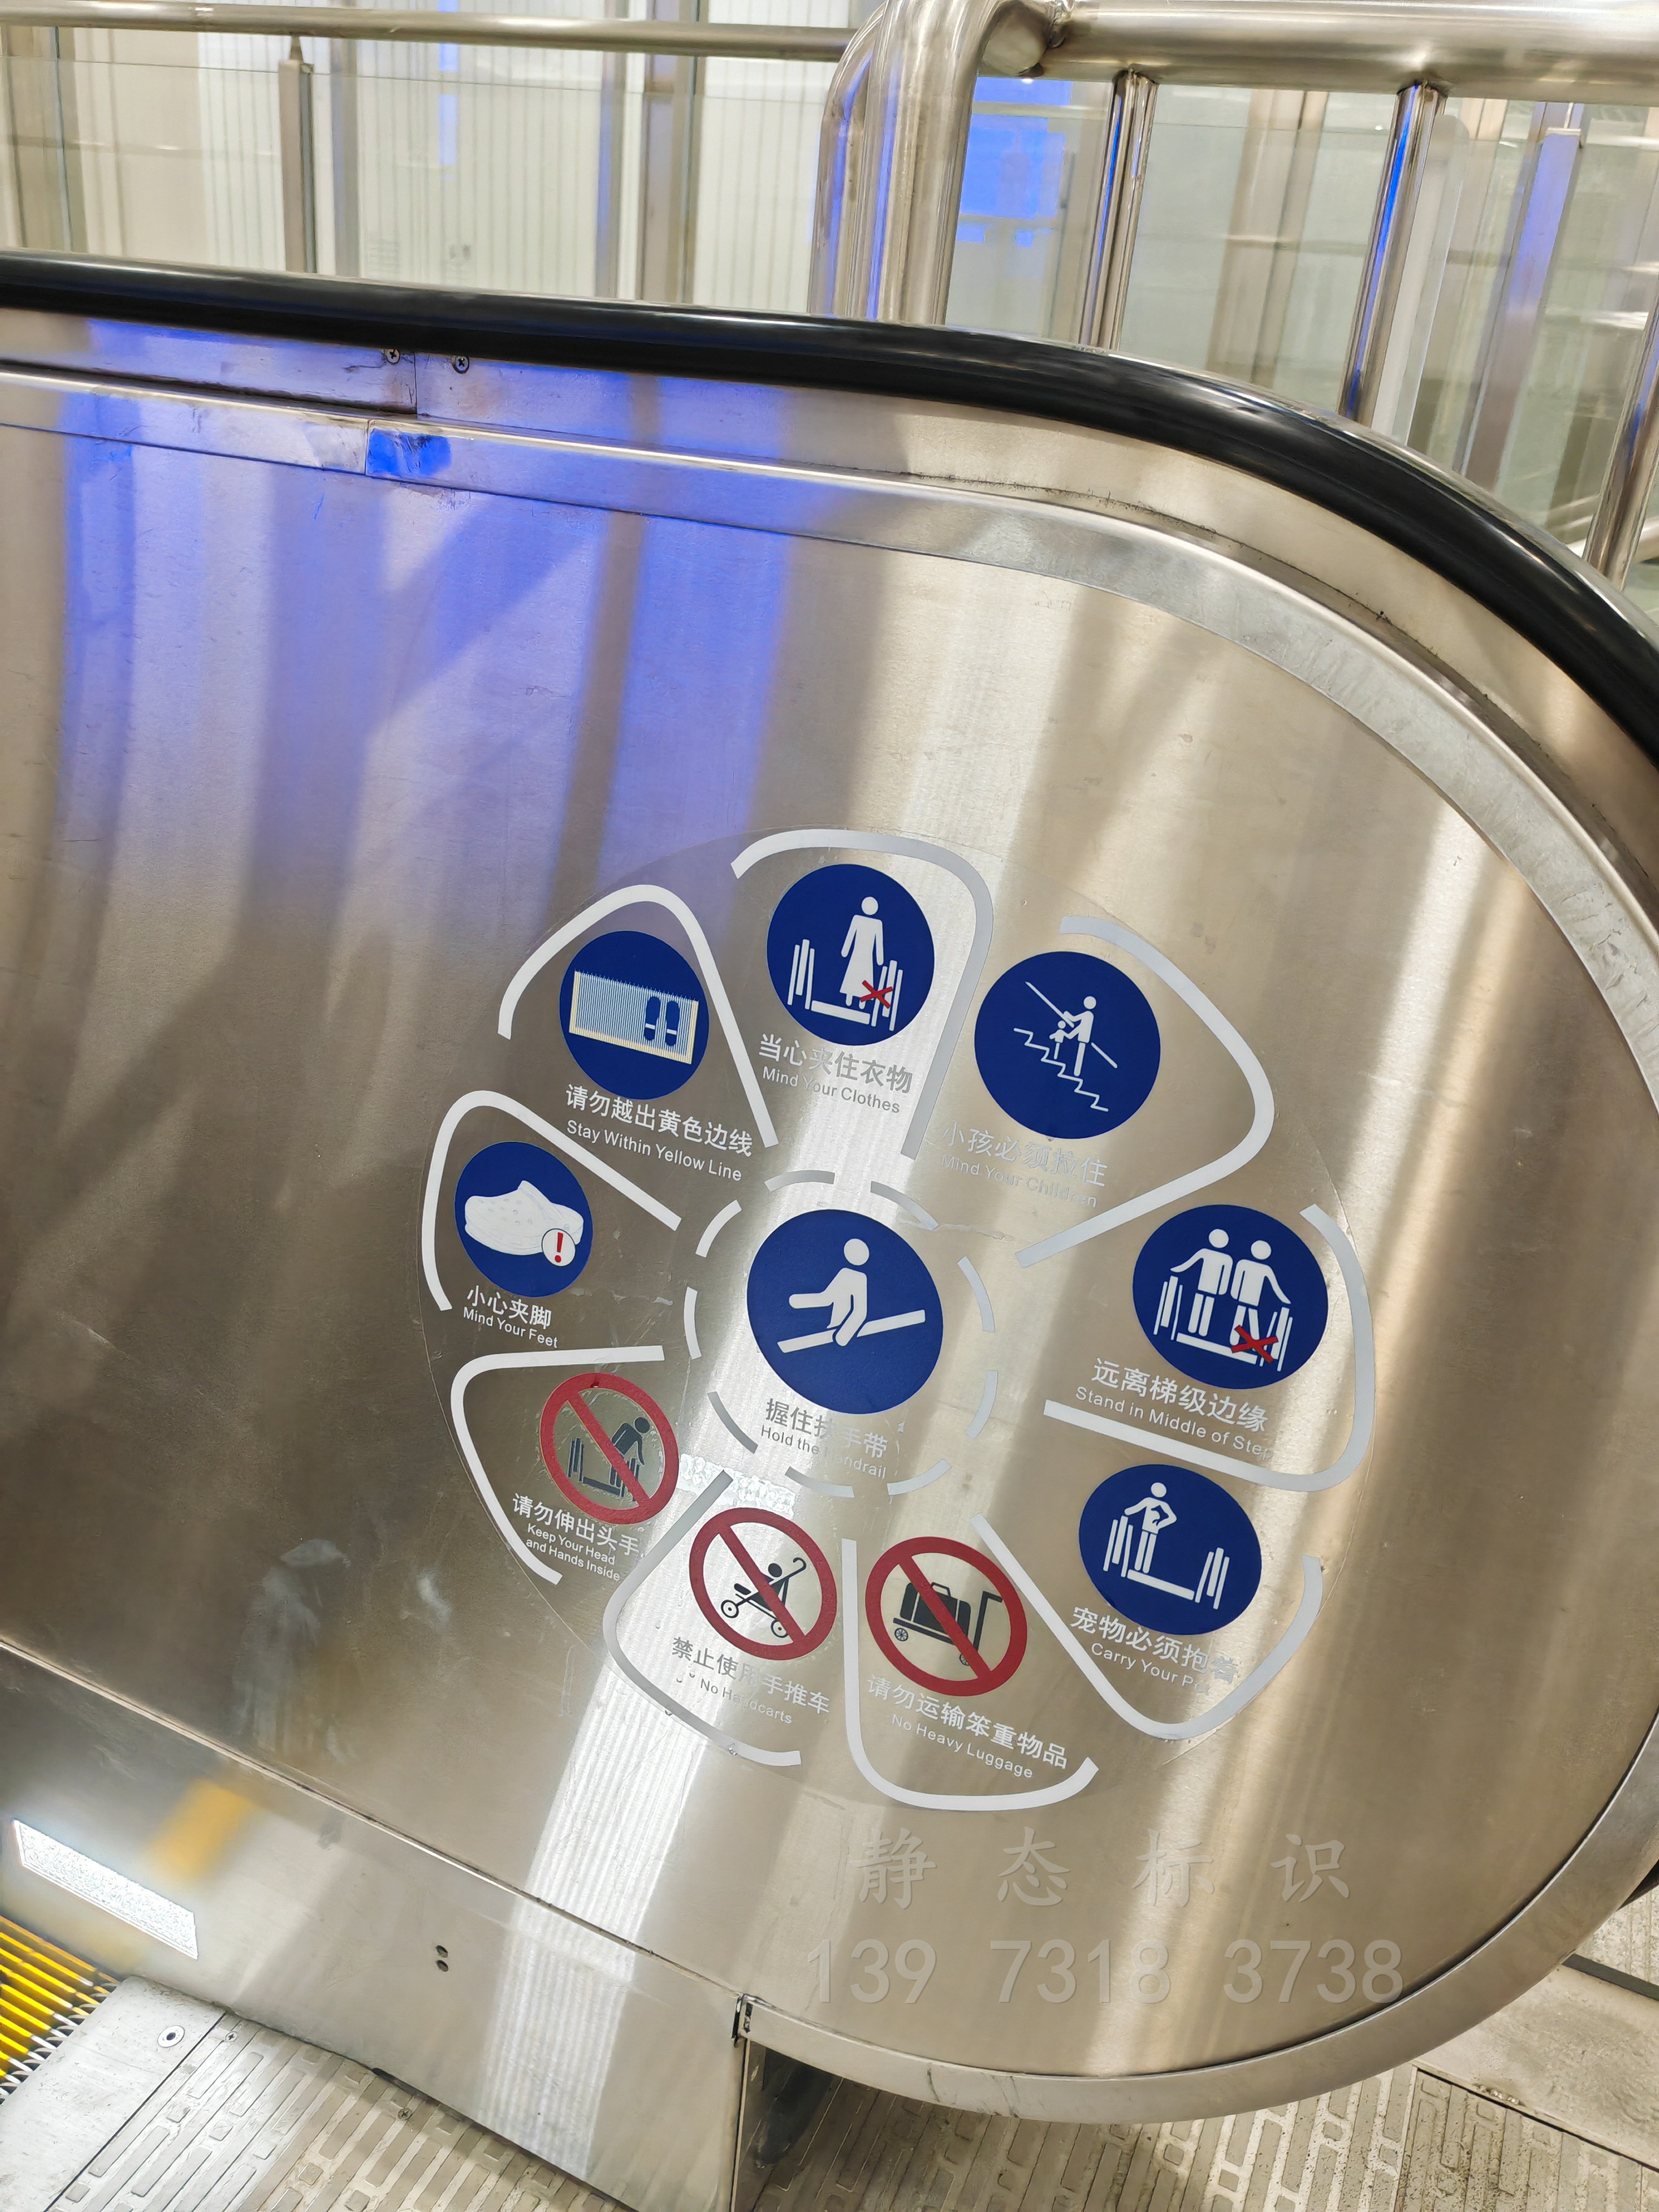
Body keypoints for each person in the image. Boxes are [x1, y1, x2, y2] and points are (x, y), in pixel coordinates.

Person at [788, 1238, 869, 1346]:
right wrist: (797, 1301)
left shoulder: (859, 1278)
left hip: (841, 1330)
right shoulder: (845, 1274)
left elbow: (860, 1312)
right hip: (834, 1325)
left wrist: (844, 1334)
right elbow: (826, 1298)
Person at [839, 898, 885, 1010]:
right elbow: (850, 936)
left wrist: (880, 958)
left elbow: (879, 943)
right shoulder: (858, 920)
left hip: (866, 955)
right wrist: (845, 950)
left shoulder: (876, 924)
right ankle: (850, 996)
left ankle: (861, 999)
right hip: (859, 953)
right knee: (856, 974)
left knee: (864, 976)